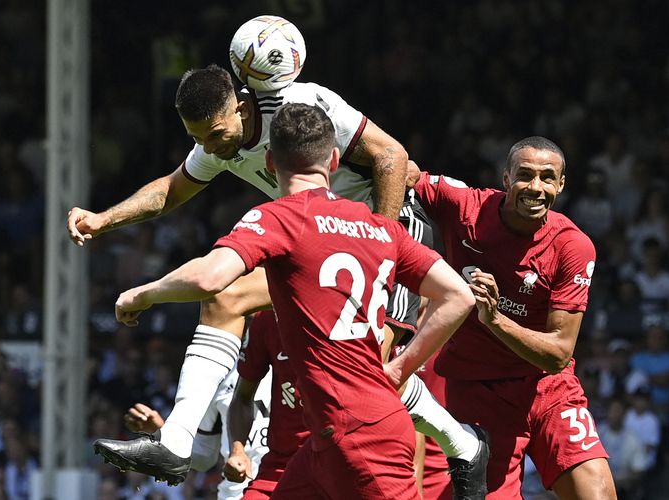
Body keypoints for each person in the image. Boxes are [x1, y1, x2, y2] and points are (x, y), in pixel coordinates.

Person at [75, 59, 485, 485]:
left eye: (215, 135)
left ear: (244, 111)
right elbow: (171, 190)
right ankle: (176, 440)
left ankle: (462, 444)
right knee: (224, 299)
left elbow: (392, 156)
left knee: (367, 373)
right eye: (198, 140)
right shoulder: (224, 146)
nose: (210, 149)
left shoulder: (303, 106)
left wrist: (379, 239)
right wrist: (104, 219)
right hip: (311, 239)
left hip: (379, 235)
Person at [406, 136, 617, 498]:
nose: (536, 188)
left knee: (597, 494)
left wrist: (495, 319)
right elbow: (400, 169)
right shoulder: (466, 207)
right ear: (506, 179)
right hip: (477, 393)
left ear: (561, 184)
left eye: (547, 178)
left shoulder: (573, 246)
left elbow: (558, 354)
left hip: (547, 390)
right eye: (525, 175)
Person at [124, 360, 272, 500]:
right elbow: (203, 459)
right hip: (238, 494)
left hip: (288, 485)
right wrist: (160, 431)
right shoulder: (219, 371)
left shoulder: (292, 357)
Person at [223, 310, 309, 498]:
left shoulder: (352, 310)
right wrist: (238, 450)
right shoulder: (265, 319)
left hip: (340, 460)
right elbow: (242, 397)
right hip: (281, 465)